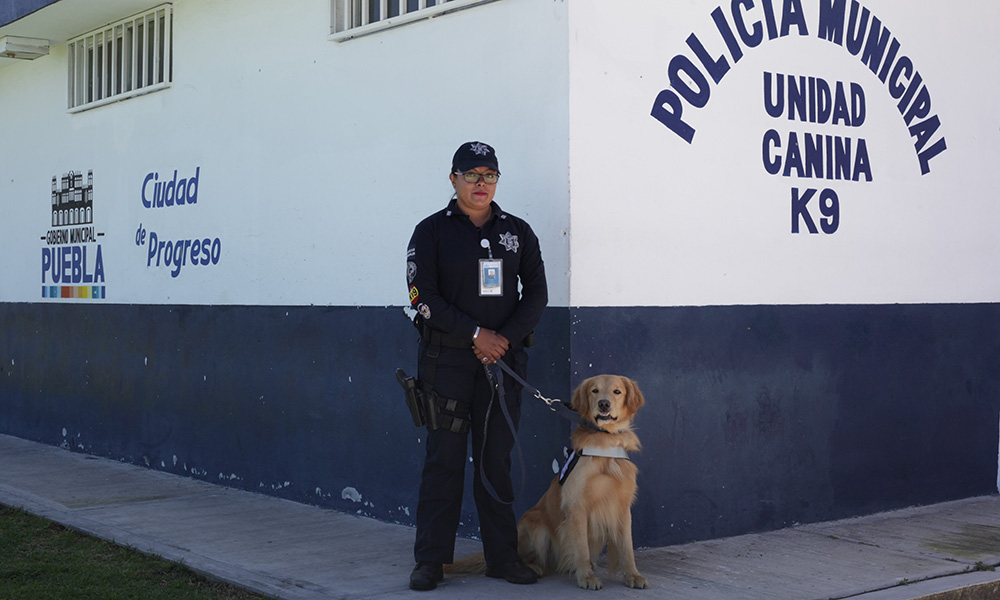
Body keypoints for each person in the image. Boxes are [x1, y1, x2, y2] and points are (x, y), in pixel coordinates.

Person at [405, 141, 548, 591]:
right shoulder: (430, 232)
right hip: (446, 362)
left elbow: (537, 294)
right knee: (444, 461)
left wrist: (500, 341)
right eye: (471, 174)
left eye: (489, 175)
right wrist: (474, 335)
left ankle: (502, 558)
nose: (481, 183)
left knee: (495, 462)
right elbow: (421, 297)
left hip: (502, 364)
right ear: (453, 179)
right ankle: (431, 561)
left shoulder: (518, 232)